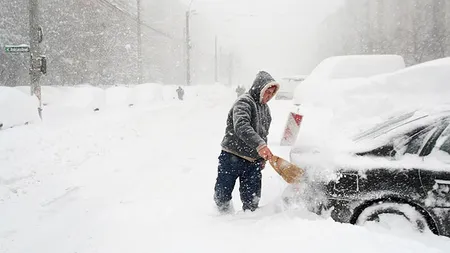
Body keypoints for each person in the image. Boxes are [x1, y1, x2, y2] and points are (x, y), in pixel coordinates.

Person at [214, 71, 280, 213]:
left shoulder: (266, 109)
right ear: (259, 88)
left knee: (252, 199)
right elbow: (241, 126)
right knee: (222, 194)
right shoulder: (244, 102)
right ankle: (221, 219)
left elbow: (263, 134)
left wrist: (262, 157)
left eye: (271, 93)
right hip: (232, 156)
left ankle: (249, 222)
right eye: (266, 92)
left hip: (252, 161)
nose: (268, 96)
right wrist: (260, 145)